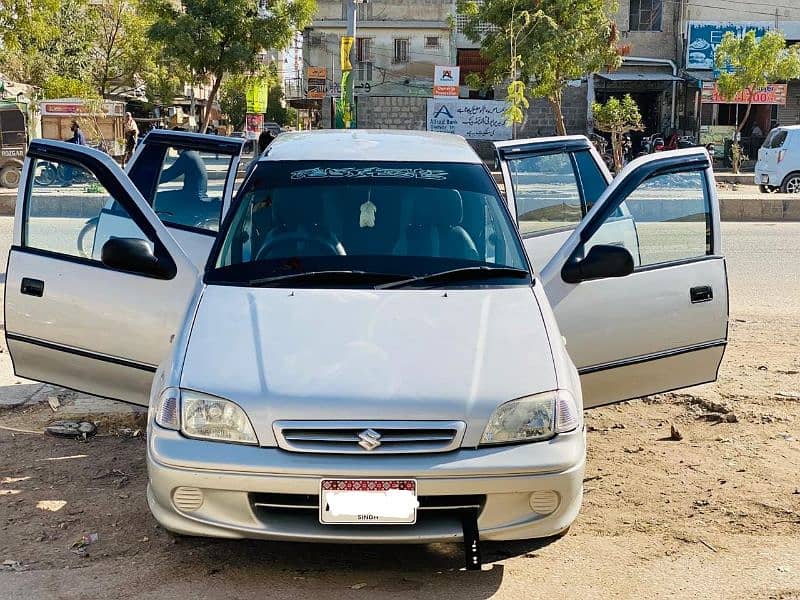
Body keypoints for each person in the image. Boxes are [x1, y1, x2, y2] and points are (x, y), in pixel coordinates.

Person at [62, 121, 86, 186]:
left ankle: (68, 181)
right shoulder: (77, 132)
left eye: (72, 125)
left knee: (68, 165)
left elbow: (76, 143)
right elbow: (74, 140)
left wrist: (68, 144)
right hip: (81, 152)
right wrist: (66, 142)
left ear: (75, 126)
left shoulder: (77, 132)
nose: (71, 127)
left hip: (79, 153)